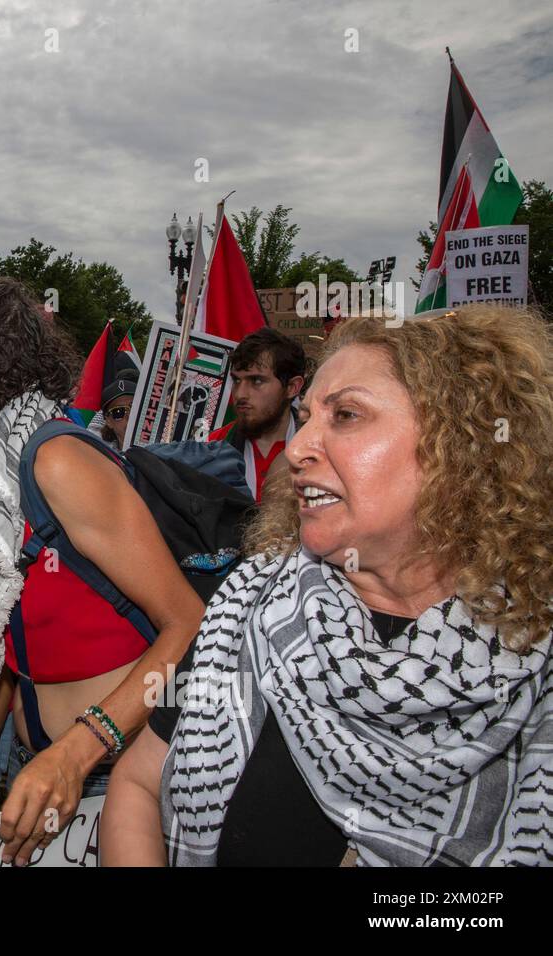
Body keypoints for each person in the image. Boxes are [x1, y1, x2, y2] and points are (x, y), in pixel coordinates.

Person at [102, 304, 553, 867]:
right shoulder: (251, 604)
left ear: (459, 445)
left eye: (345, 416)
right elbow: (140, 787)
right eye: (307, 414)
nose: (298, 448)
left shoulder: (534, 661)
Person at [0, 274, 206, 866]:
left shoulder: (54, 460)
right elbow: (14, 635)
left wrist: (79, 752)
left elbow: (188, 622)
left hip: (116, 767)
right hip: (39, 768)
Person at [207, 327, 305, 502]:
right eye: (237, 380)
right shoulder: (212, 448)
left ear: (292, 387)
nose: (240, 394)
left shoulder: (321, 449)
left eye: (257, 381)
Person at [98, 369, 139, 449]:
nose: (129, 416)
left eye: (134, 407)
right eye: (118, 411)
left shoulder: (164, 452)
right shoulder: (101, 457)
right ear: (108, 421)